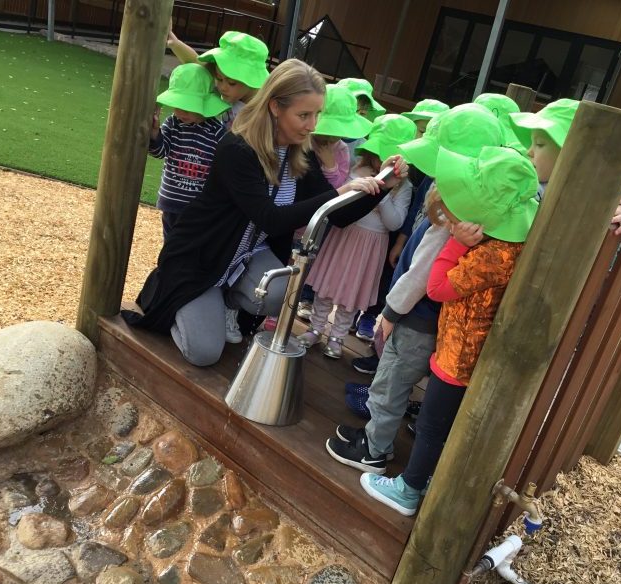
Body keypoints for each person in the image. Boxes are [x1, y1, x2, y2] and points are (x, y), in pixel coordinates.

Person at [122, 59, 408, 366]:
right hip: (202, 257)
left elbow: (336, 216)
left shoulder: (299, 151)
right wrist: (339, 191)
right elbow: (269, 217)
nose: (313, 124)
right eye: (304, 115)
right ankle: (178, 297)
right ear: (275, 107)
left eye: (317, 114)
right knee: (204, 354)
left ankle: (225, 301)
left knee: (280, 291)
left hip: (244, 256)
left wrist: (385, 183)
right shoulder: (237, 149)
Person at [359, 145, 540, 516]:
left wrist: (456, 243)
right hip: (461, 348)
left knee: (431, 427)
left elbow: (438, 287)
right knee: (435, 425)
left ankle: (408, 490)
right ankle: (421, 480)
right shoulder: (508, 244)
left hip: (458, 355)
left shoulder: (493, 254)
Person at [333, 105, 511, 476]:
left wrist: (389, 313)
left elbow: (417, 278)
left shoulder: (447, 221)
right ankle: (375, 440)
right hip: (434, 319)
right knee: (397, 383)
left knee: (389, 384)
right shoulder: (479, 209)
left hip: (415, 318)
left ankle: (373, 450)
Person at [297, 115, 415, 359]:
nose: (386, 160)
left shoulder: (404, 188)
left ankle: (338, 337)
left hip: (371, 246)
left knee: (351, 294)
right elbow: (340, 205)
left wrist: (382, 192)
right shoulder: (357, 171)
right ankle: (315, 328)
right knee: (326, 287)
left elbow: (395, 222)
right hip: (343, 237)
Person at [354, 99, 450, 345]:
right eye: (419, 129)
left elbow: (407, 213)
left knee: (389, 280)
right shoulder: (418, 167)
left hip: (409, 240)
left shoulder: (425, 177)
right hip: (400, 238)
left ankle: (373, 320)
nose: (421, 134)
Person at [510, 98, 621, 237]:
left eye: (539, 144)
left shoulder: (609, 191)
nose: (529, 151)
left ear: (574, 155)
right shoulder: (526, 183)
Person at [293, 84, 374, 325]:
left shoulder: (340, 151)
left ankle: (285, 310)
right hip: (294, 214)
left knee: (302, 267)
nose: (333, 137)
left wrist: (329, 163)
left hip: (317, 223)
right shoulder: (302, 143)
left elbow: (336, 188)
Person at [149, 63, 230, 239]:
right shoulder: (173, 124)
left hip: (197, 209)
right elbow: (160, 152)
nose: (181, 112)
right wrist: (155, 133)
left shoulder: (217, 132)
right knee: (170, 245)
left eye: (188, 107)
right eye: (178, 106)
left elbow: (222, 169)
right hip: (171, 203)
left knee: (190, 247)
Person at [167, 30, 270, 129]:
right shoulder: (233, 93)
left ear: (252, 80)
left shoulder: (262, 110)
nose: (222, 87)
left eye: (231, 83)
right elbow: (197, 63)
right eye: (219, 78)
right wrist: (175, 44)